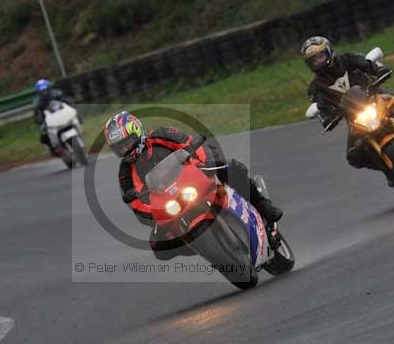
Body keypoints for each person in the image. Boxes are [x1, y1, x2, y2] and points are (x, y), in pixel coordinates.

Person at [103, 111, 283, 260]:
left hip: (194, 176)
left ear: (138, 132)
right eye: (119, 147)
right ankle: (199, 245)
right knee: (158, 247)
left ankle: (263, 205)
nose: (124, 149)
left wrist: (206, 164)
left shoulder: (161, 134)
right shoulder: (125, 173)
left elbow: (191, 144)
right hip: (170, 203)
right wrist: (155, 213)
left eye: (127, 142)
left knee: (233, 167)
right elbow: (136, 204)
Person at [301, 36, 394, 185]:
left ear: (329, 51)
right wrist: (327, 118)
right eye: (314, 60)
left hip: (376, 96)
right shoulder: (315, 88)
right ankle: (389, 170)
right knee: (354, 155)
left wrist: (380, 70)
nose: (318, 61)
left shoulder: (348, 58)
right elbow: (322, 108)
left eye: (320, 55)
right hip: (354, 118)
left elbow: (368, 64)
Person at [33, 79, 74, 155]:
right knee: (44, 135)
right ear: (39, 92)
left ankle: (78, 130)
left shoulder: (57, 93)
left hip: (62, 114)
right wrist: (39, 118)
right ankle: (54, 148)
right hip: (50, 120)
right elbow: (37, 113)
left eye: (46, 90)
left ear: (49, 88)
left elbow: (66, 100)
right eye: (42, 91)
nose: (44, 92)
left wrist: (69, 102)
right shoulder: (37, 102)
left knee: (75, 116)